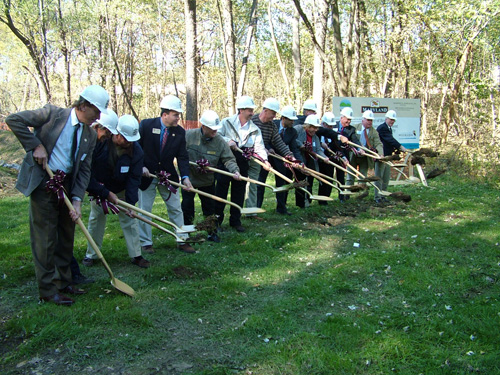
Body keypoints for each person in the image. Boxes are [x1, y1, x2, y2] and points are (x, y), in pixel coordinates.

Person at [6, 84, 109, 306]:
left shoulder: (90, 135)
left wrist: (77, 199)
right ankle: (47, 289)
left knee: (66, 235)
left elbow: (84, 170)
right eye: (96, 111)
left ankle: (64, 281)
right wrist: (35, 146)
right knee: (45, 239)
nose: (98, 117)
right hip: (44, 182)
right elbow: (14, 119)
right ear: (83, 105)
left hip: (68, 186)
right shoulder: (51, 115)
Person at [83, 115, 150, 268]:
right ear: (117, 134)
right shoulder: (101, 143)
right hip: (100, 188)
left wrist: (131, 203)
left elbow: (134, 178)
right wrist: (102, 191)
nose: (129, 143)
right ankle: (91, 254)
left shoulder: (136, 150)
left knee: (130, 220)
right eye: (126, 139)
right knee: (96, 219)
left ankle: (136, 255)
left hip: (122, 189)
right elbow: (89, 172)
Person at [138, 95, 195, 254]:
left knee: (176, 208)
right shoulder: (146, 125)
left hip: (168, 177)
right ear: (165, 114)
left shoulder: (180, 132)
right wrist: (141, 166)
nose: (178, 118)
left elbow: (182, 156)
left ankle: (182, 240)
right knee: (145, 209)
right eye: (176, 114)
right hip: (146, 177)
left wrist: (185, 177)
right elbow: (136, 149)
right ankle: (146, 243)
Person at [70, 109, 120, 284]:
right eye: (105, 131)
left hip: (94, 184)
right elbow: (85, 173)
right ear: (98, 126)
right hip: (70, 183)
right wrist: (104, 192)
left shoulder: (101, 143)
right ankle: (69, 271)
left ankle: (72, 271)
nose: (107, 136)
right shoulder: (84, 139)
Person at [182, 110, 240, 242]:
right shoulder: (189, 136)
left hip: (207, 182)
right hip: (189, 181)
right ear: (204, 126)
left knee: (209, 209)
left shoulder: (219, 141)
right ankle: (186, 233)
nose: (215, 131)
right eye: (212, 129)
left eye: (216, 129)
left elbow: (228, 159)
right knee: (187, 207)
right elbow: (179, 154)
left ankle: (211, 233)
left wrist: (234, 171)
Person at [215, 96, 271, 232]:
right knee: (221, 192)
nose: (252, 113)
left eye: (252, 110)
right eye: (249, 110)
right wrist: (227, 141)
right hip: (225, 161)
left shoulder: (254, 129)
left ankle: (235, 220)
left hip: (243, 162)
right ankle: (217, 221)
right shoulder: (226, 122)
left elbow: (259, 147)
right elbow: (216, 135)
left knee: (239, 192)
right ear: (241, 110)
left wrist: (265, 160)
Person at [252, 98, 295, 211]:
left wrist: (290, 156)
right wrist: (264, 149)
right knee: (258, 183)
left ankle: (279, 208)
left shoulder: (272, 126)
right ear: (266, 110)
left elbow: (279, 142)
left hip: (265, 157)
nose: (274, 116)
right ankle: (255, 209)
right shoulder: (252, 121)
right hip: (253, 157)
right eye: (273, 113)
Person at [271, 105, 303, 215]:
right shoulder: (272, 124)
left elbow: (294, 148)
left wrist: (299, 161)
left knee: (282, 182)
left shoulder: (292, 132)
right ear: (283, 118)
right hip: (267, 156)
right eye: (291, 120)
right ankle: (256, 209)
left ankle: (281, 207)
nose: (293, 123)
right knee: (260, 182)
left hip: (281, 159)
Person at [294, 114, 326, 208]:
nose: (315, 130)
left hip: (310, 162)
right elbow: (293, 140)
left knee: (309, 182)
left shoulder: (315, 137)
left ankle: (307, 200)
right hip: (298, 160)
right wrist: (301, 145)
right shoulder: (299, 129)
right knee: (300, 181)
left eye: (316, 128)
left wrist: (324, 158)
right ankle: (300, 204)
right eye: (314, 128)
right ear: (308, 126)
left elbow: (318, 150)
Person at [316, 112, 349, 204]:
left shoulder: (333, 135)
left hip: (330, 159)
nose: (330, 128)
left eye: (331, 126)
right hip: (320, 159)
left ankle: (326, 199)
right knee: (324, 179)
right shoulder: (318, 133)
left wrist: (343, 157)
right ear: (323, 124)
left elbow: (338, 147)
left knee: (330, 178)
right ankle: (321, 200)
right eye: (328, 126)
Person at [376, 110, 408, 203]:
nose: (392, 121)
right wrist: (400, 146)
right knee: (379, 177)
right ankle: (377, 197)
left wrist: (396, 149)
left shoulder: (389, 128)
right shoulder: (382, 128)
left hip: (388, 157)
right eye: (391, 119)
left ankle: (383, 195)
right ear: (386, 118)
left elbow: (389, 142)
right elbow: (390, 139)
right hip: (382, 157)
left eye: (393, 120)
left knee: (385, 178)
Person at [346, 110, 383, 189]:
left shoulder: (374, 132)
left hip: (365, 157)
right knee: (350, 176)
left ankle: (361, 194)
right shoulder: (354, 128)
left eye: (371, 120)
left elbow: (378, 143)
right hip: (353, 156)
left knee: (363, 177)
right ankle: (347, 195)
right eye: (368, 120)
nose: (370, 122)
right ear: (363, 119)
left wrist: (380, 153)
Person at [335, 107, 363, 201]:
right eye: (347, 119)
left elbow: (355, 140)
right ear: (342, 117)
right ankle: (324, 199)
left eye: (350, 119)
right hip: (331, 153)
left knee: (341, 176)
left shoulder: (351, 130)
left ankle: (341, 196)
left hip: (343, 155)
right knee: (330, 176)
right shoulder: (333, 126)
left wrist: (359, 149)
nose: (349, 121)